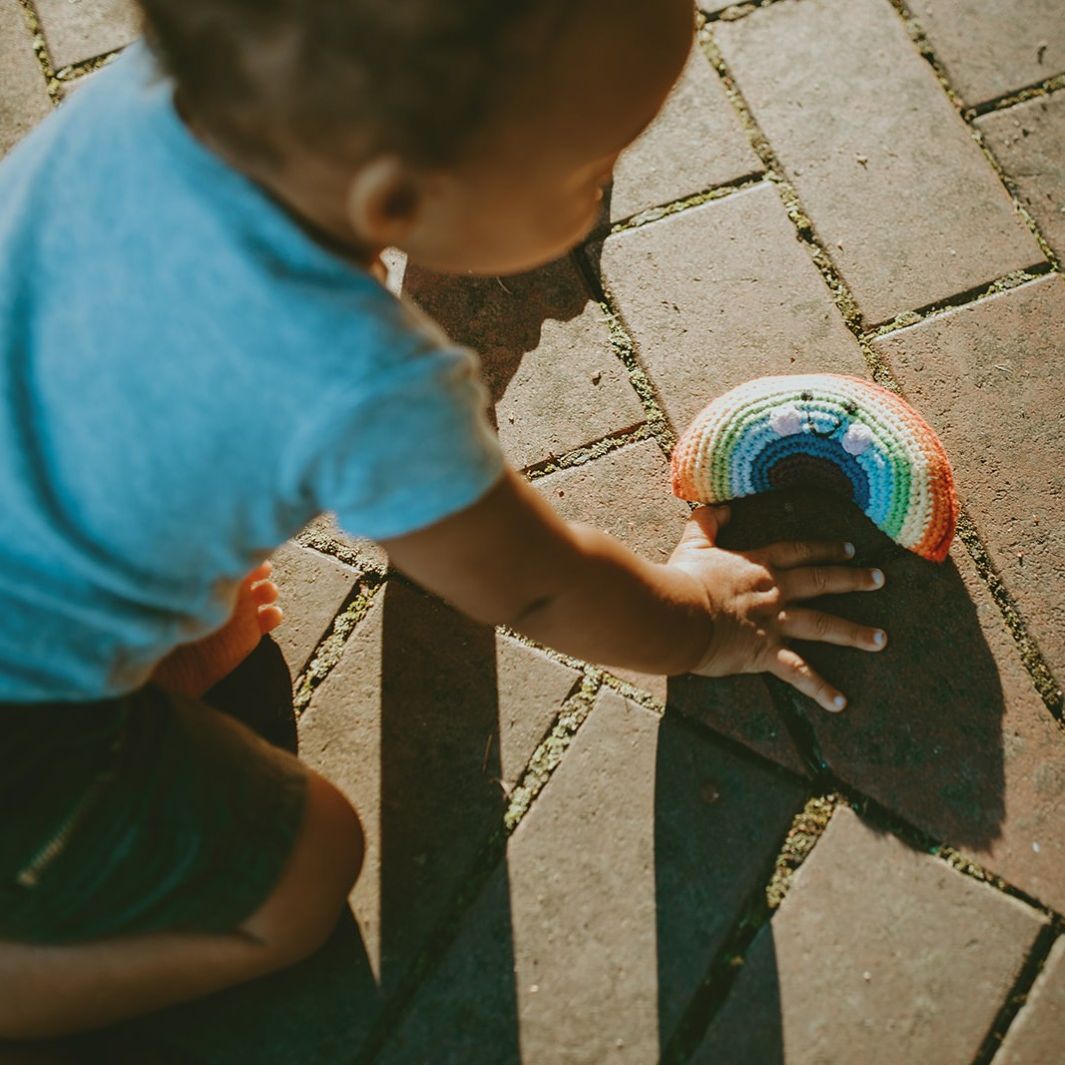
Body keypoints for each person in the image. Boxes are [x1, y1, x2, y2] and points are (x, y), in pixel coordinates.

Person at [0, 0, 887, 1044]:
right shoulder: (363, 382)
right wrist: (702, 620)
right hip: (27, 743)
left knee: (207, 629)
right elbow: (538, 583)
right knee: (310, 867)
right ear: (398, 192)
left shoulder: (143, 98)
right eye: (588, 167)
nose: (602, 193)